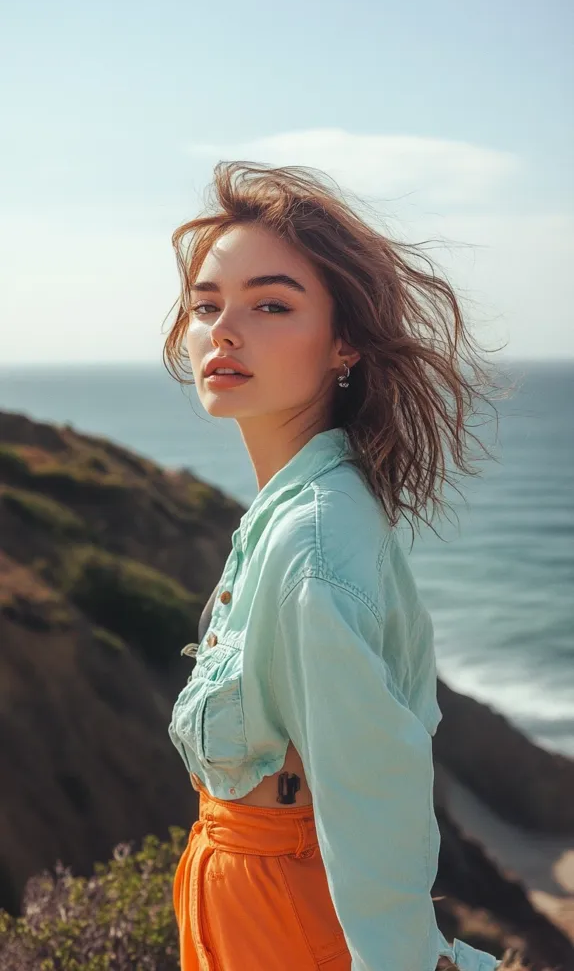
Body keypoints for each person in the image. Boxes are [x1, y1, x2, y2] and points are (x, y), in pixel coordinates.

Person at [164, 162, 502, 971]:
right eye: (207, 305)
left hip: (287, 930)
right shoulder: (294, 511)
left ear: (344, 340)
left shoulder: (312, 541)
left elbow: (375, 793)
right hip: (244, 913)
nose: (224, 330)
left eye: (271, 304)